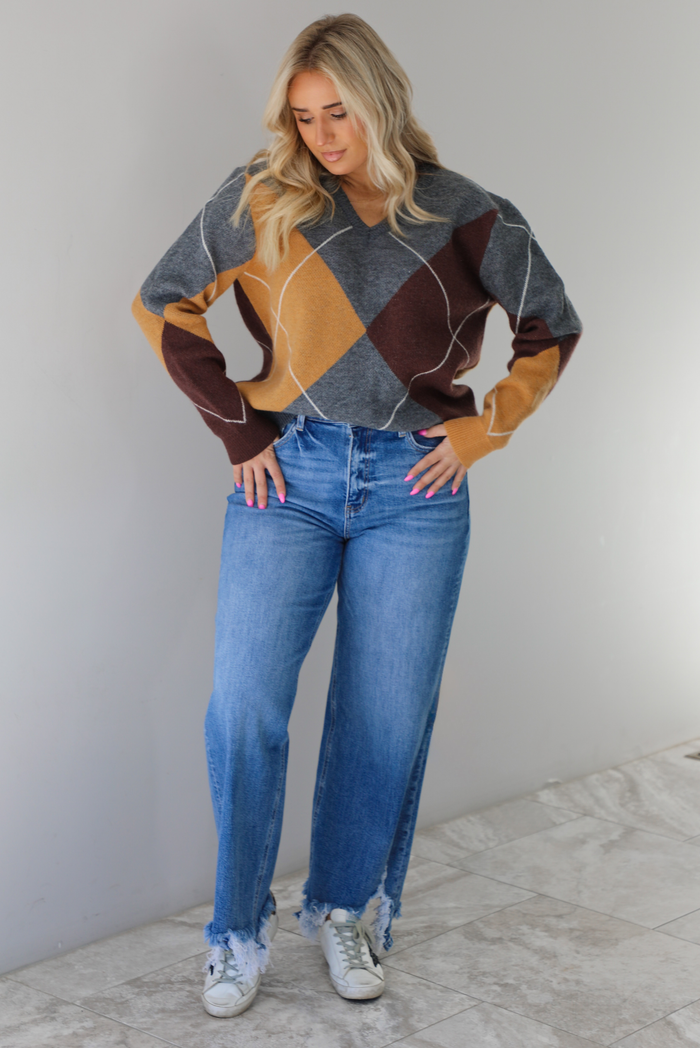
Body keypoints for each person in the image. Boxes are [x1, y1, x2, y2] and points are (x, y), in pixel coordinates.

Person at [131, 12, 582, 1018]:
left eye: (337, 111)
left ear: (380, 98)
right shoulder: (263, 194)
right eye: (304, 116)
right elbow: (163, 303)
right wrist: (238, 431)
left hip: (415, 489)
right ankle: (235, 931)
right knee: (243, 706)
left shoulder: (469, 214)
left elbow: (552, 325)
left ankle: (346, 909)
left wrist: (485, 429)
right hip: (285, 476)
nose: (322, 135)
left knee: (384, 717)